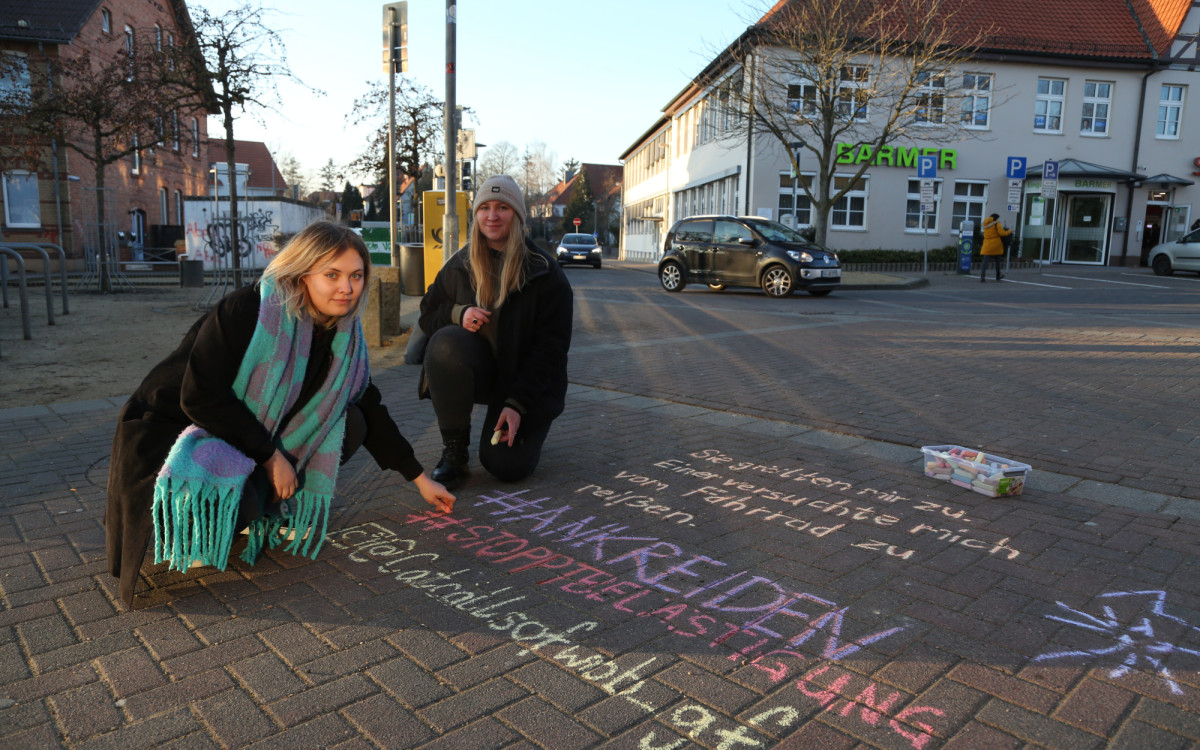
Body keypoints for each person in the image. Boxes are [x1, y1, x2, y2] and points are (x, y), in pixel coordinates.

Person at [106, 221, 454, 609]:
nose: (347, 288)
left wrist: (419, 478)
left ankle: (260, 504)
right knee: (236, 490)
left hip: (238, 430)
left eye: (356, 276)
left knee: (352, 419)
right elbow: (200, 397)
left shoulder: (345, 333)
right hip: (174, 431)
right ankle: (201, 525)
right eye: (332, 275)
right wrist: (271, 459)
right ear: (302, 274)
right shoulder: (248, 310)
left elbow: (369, 403)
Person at [418, 174, 573, 490]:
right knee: (445, 342)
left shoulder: (545, 273)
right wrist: (457, 314)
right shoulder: (460, 264)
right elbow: (427, 314)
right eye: (484, 207)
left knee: (505, 465)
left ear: (516, 214)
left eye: (502, 207)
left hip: (526, 384)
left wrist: (517, 404)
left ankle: (528, 425)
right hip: (485, 373)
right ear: (475, 214)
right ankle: (455, 450)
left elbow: (550, 351)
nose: (492, 215)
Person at [980, 213, 1011, 282]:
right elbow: (1002, 233)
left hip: (987, 244)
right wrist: (1009, 231)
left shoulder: (985, 223)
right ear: (996, 218)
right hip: (996, 244)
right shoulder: (997, 223)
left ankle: (982, 277)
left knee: (985, 261)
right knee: (997, 261)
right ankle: (998, 276)